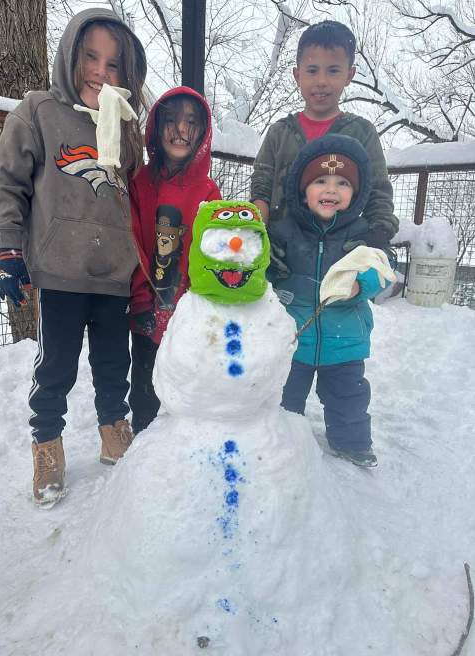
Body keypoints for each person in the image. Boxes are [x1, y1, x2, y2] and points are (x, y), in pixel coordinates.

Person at [0, 8, 147, 506]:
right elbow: (10, 183)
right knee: (56, 364)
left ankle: (112, 429)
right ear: (71, 57)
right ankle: (46, 443)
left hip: (113, 274)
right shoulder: (37, 111)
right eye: (91, 58)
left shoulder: (125, 125)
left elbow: (134, 197)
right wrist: (11, 249)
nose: (102, 72)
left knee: (111, 362)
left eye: (114, 64)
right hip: (59, 270)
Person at [269, 134, 394, 468]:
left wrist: (359, 285)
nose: (331, 189)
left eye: (342, 183)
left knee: (348, 398)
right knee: (284, 395)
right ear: (302, 189)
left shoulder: (363, 234)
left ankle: (352, 442)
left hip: (344, 341)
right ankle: (280, 436)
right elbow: (265, 270)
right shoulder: (284, 231)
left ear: (356, 193)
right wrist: (271, 262)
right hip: (293, 338)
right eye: (320, 181)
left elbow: (383, 269)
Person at [250, 20, 398, 251]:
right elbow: (261, 189)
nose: (321, 81)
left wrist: (377, 236)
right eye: (312, 70)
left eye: (333, 70)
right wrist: (255, 234)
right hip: (281, 253)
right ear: (297, 75)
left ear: (349, 75)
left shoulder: (361, 132)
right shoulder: (279, 133)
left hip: (340, 253)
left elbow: (378, 192)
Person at [128, 87, 221, 433]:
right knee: (144, 389)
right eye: (170, 120)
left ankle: (186, 447)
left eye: (191, 122)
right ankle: (142, 445)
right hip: (145, 312)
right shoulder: (140, 184)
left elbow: (211, 252)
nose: (180, 130)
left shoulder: (209, 193)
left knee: (188, 388)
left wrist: (204, 306)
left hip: (188, 315)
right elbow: (134, 244)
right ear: (155, 126)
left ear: (201, 132)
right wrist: (139, 301)